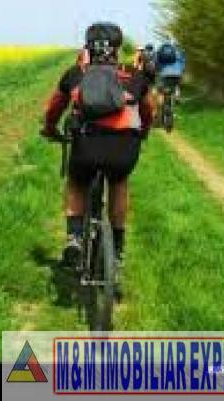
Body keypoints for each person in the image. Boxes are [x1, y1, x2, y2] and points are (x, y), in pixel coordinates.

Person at [40, 22, 155, 275]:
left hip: (87, 145)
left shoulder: (76, 73)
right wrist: (144, 131)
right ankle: (118, 250)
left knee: (77, 181)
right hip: (123, 147)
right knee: (119, 182)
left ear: (88, 47)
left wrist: (49, 128)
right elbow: (149, 109)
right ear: (117, 48)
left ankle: (74, 238)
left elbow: (54, 107)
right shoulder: (134, 76)